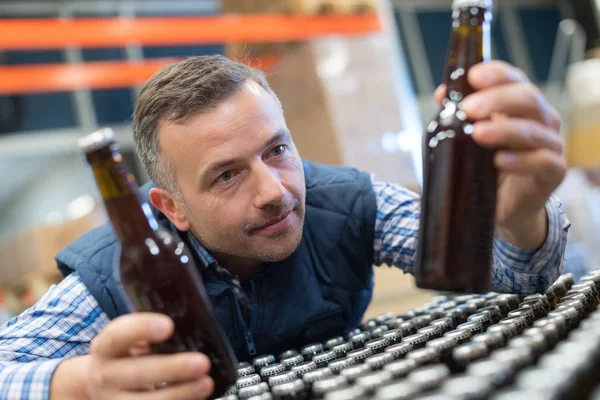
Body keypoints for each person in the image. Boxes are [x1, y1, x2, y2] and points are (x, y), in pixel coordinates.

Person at [0, 55, 569, 400]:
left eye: (276, 150)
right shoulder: (117, 272)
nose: (274, 192)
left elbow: (511, 281)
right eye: (226, 176)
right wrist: (79, 386)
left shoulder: (346, 203)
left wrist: (520, 221)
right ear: (171, 208)